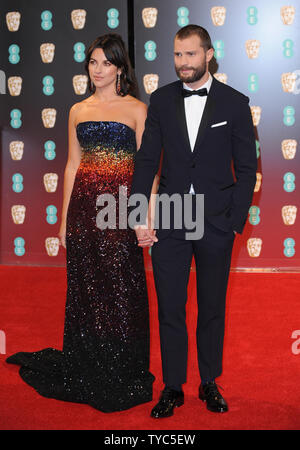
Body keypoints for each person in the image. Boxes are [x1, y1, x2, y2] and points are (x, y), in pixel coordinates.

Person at [6, 33, 155, 412]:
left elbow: (149, 170)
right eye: (93, 62)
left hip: (120, 211)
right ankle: (88, 360)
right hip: (84, 211)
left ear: (121, 68)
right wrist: (61, 223)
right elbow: (72, 165)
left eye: (106, 63)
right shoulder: (77, 110)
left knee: (123, 289)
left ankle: (124, 365)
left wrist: (144, 214)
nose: (98, 70)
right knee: (87, 291)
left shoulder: (137, 109)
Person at [130, 25, 257, 418]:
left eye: (190, 55)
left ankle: (208, 382)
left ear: (208, 54)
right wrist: (138, 215)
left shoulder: (235, 103)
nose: (182, 62)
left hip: (216, 222)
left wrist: (233, 222)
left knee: (212, 306)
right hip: (170, 218)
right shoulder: (162, 100)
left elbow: (249, 168)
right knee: (170, 306)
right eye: (177, 55)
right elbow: (147, 162)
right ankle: (171, 386)